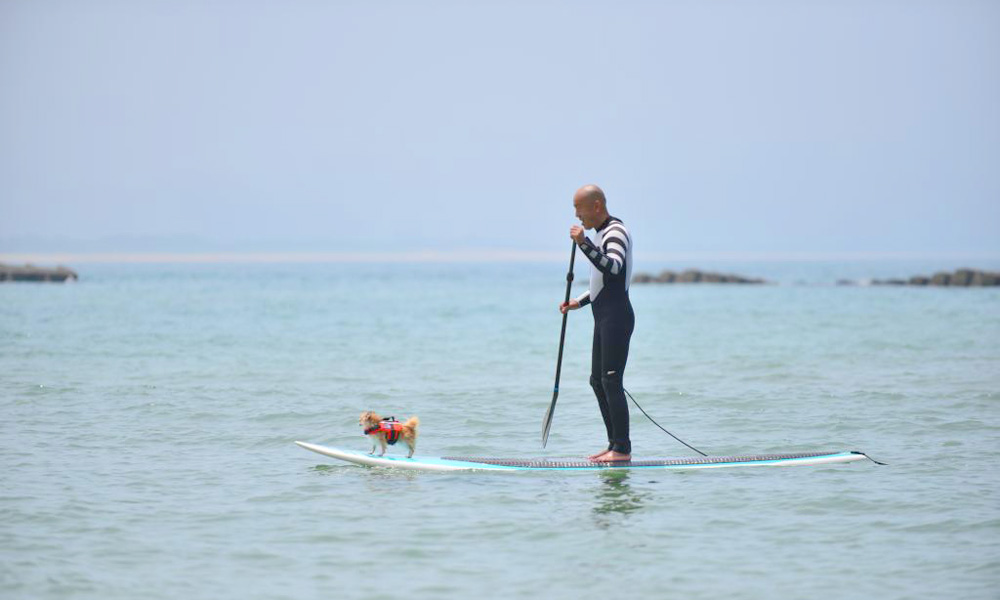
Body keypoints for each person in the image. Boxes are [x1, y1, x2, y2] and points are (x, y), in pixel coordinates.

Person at [559, 184, 635, 462]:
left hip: (617, 318)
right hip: (603, 317)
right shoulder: (601, 233)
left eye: (579, 209)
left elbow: (613, 268)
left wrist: (583, 244)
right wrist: (579, 301)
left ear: (596, 206)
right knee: (597, 381)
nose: (577, 216)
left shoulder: (616, 232)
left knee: (612, 382)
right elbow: (602, 284)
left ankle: (622, 449)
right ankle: (614, 443)